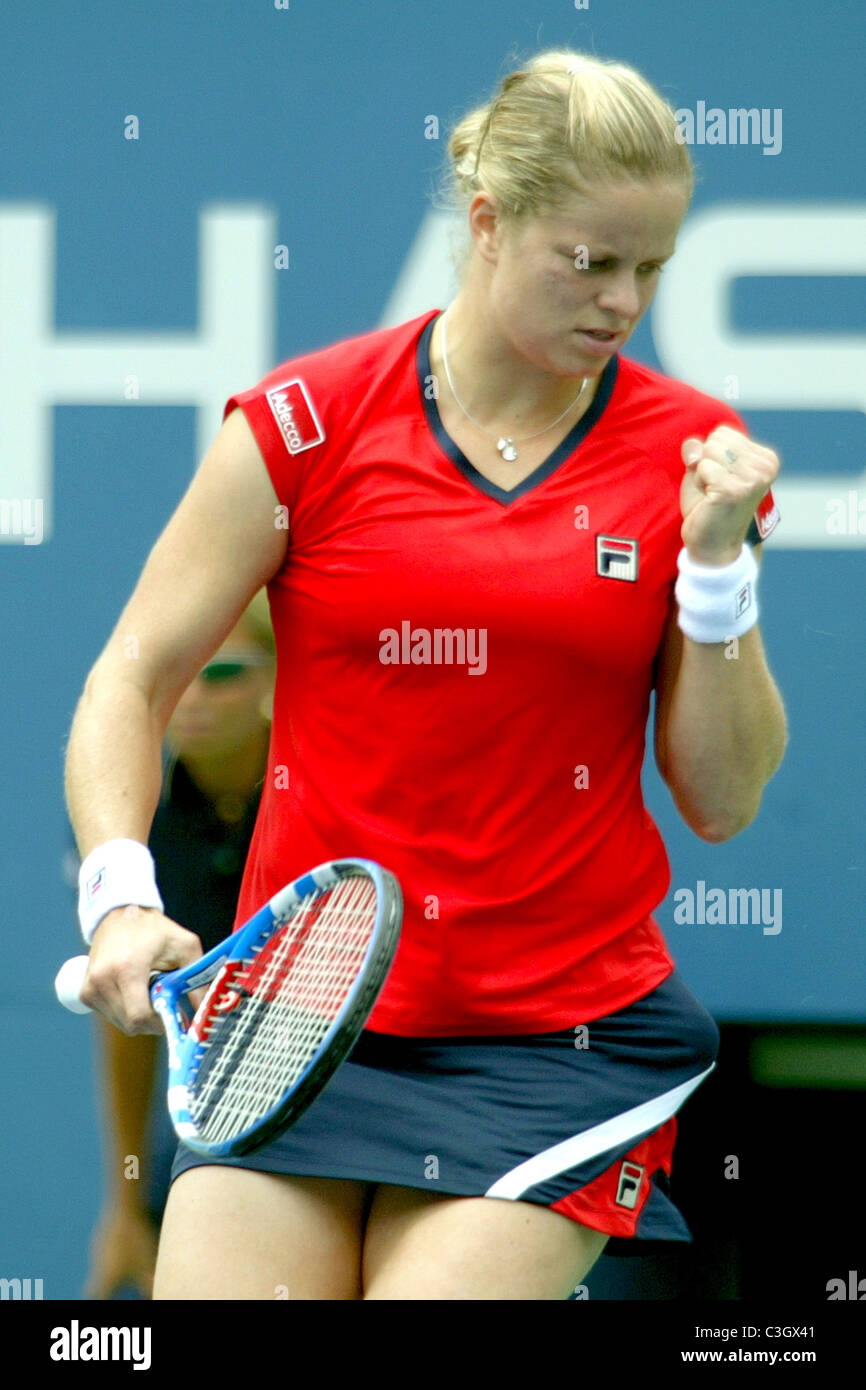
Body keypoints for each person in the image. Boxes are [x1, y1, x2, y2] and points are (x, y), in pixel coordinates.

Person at [64, 48, 787, 1301]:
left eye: (650, 269)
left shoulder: (686, 456)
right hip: (296, 1022)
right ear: (490, 221)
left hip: (551, 1043)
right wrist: (120, 896)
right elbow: (129, 681)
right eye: (590, 260)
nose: (623, 300)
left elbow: (721, 799)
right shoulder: (303, 424)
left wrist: (716, 571)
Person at [81, 594, 275, 1299]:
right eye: (181, 675)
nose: (193, 698)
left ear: (278, 684)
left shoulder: (321, 801)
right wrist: (125, 1208)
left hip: (345, 1132)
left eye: (222, 674)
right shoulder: (132, 824)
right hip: (200, 1134)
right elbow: (132, 1020)